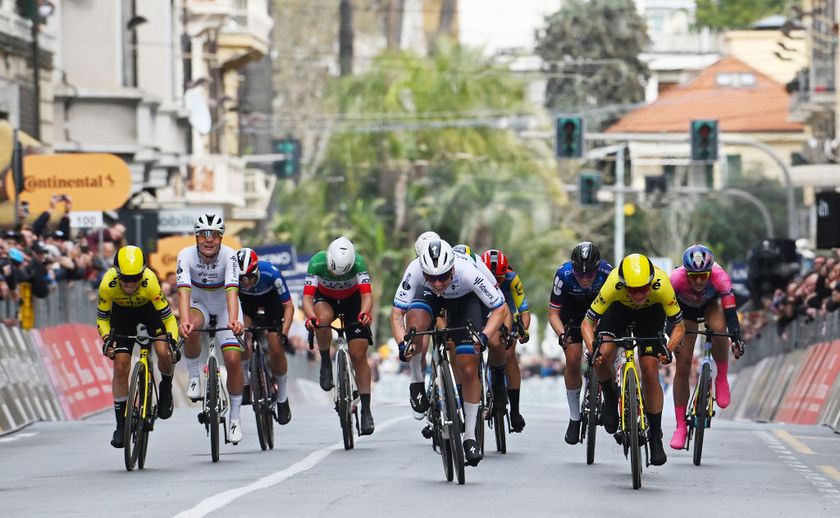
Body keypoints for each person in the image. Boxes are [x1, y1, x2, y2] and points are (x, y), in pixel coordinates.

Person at [394, 239, 507, 467]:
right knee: (415, 328)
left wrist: (484, 336)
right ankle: (417, 382)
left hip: (464, 301)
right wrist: (401, 344)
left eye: (443, 277)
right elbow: (397, 313)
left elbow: (500, 308)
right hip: (427, 300)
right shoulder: (416, 270)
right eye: (431, 277)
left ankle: (470, 437)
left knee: (467, 367)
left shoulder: (467, 271)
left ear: (452, 268)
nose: (437, 282)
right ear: (423, 271)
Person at [580, 253, 684, 466]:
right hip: (618, 311)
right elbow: (586, 323)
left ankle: (655, 436)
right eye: (633, 289)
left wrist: (669, 349)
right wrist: (593, 350)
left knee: (649, 369)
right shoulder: (613, 285)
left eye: (643, 288)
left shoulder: (661, 284)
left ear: (651, 281)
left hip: (651, 314)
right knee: (604, 353)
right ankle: (610, 395)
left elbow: (679, 326)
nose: (638, 295)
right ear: (623, 283)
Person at [97, 246, 179, 447]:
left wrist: (173, 342)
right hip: (122, 315)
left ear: (143, 273)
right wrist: (107, 338)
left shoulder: (150, 282)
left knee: (163, 352)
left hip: (149, 312)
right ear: (117, 273)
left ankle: (166, 387)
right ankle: (120, 425)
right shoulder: (108, 284)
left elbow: (168, 319)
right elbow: (102, 319)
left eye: (135, 278)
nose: (130, 283)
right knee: (120, 364)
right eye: (125, 278)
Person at [668, 244, 746, 449]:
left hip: (711, 306)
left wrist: (737, 338)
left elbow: (731, 314)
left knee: (720, 327)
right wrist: (671, 337)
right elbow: (665, 312)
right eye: (694, 276)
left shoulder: (720, 277)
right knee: (683, 366)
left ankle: (721, 378)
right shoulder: (675, 279)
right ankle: (680, 427)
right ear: (686, 272)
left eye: (704, 275)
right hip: (684, 312)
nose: (699, 280)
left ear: (710, 271)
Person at [177, 214, 246, 444]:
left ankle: (235, 418)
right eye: (204, 235)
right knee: (191, 326)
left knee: (234, 360)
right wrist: (185, 321)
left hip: (226, 308)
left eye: (214, 235)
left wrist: (234, 320)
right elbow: (184, 291)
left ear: (220, 238)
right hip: (200, 306)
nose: (209, 240)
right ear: (196, 237)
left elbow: (232, 291)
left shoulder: (230, 256)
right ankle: (195, 377)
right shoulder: (185, 256)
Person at [303, 236, 375, 435]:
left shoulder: (359, 262)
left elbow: (367, 296)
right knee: (322, 319)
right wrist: (311, 317)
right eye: (334, 271)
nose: (337, 276)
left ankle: (366, 410)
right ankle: (326, 361)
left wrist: (365, 314)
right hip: (325, 299)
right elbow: (307, 297)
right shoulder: (317, 262)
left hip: (353, 301)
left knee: (359, 355)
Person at [547, 241, 612, 444]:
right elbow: (553, 314)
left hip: (601, 312)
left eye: (590, 274)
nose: (585, 279)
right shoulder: (563, 275)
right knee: (573, 361)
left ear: (598, 268)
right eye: (580, 274)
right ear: (572, 267)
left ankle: (610, 393)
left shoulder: (608, 273)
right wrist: (561, 333)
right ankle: (575, 418)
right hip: (572, 314)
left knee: (605, 354)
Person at [236, 247, 295, 425]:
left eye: (250, 277)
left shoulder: (272, 274)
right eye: (242, 278)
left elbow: (289, 306)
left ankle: (283, 399)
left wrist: (284, 333)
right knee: (241, 335)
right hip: (247, 305)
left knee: (276, 347)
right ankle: (246, 383)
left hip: (271, 303)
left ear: (257, 271)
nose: (246, 282)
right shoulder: (232, 278)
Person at [481, 248, 531, 432]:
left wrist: (523, 331)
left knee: (509, 353)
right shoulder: (475, 276)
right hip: (483, 308)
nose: (496, 282)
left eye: (499, 279)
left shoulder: (512, 278)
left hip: (505, 310)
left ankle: (515, 411)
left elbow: (524, 312)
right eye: (491, 278)